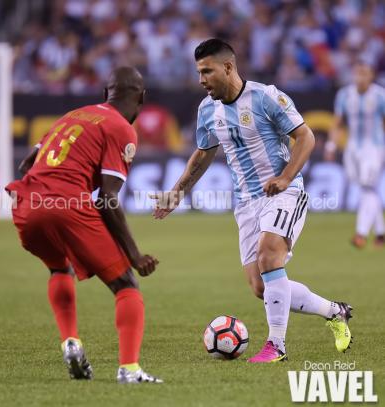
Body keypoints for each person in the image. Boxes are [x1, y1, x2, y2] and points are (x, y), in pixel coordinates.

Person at [151, 39, 352, 363]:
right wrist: (177, 192)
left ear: (228, 67)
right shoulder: (207, 109)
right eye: (198, 72)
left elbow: (306, 137)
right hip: (246, 204)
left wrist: (285, 177)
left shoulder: (266, 97)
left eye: (207, 71)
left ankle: (276, 347)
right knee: (262, 286)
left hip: (284, 192)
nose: (201, 80)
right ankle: (335, 311)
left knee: (269, 256)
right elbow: (203, 153)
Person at [7, 67, 162, 383]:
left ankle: (70, 342)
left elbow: (27, 163)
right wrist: (133, 253)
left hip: (26, 203)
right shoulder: (121, 128)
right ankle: (130, 370)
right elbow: (107, 197)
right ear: (142, 97)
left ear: (106, 93)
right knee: (125, 285)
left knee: (58, 268)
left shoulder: (73, 115)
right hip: (66, 206)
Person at [327, 60, 385, 249]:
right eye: (357, 73)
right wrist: (331, 145)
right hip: (352, 148)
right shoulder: (344, 95)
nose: (360, 77)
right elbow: (337, 122)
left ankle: (360, 233)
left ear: (371, 76)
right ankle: (380, 234)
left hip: (374, 147)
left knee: (368, 187)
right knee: (367, 189)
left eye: (364, 73)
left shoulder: (380, 95)